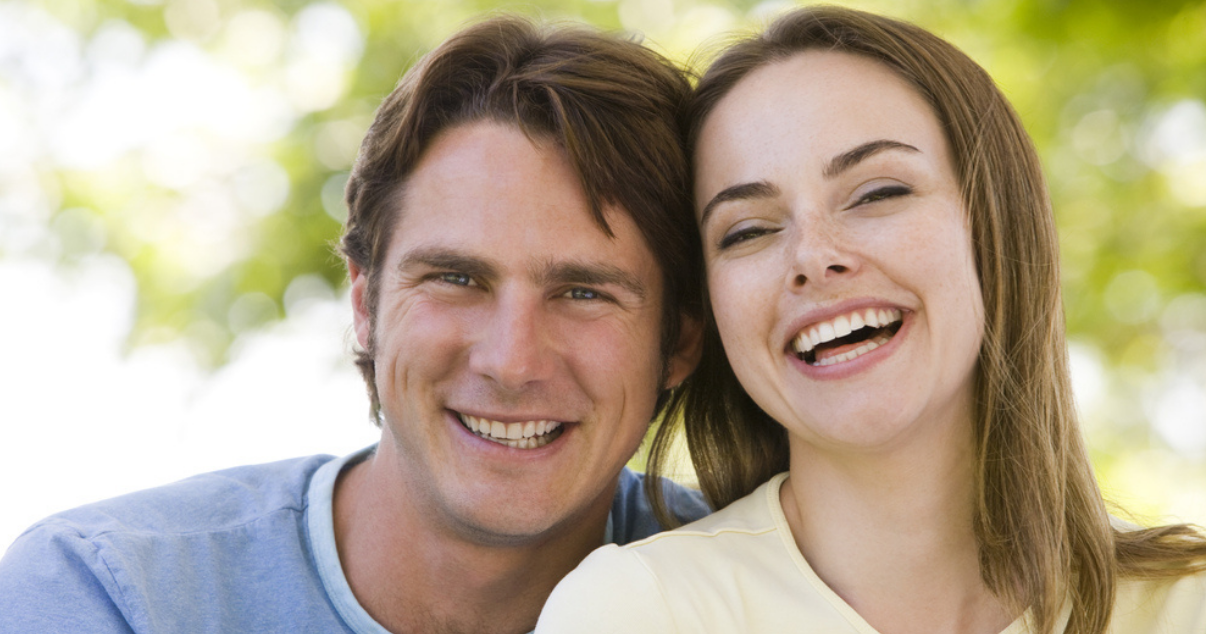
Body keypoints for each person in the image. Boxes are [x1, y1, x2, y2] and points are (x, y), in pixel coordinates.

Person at [0, 16, 710, 634]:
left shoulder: (765, 594)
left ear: (679, 340)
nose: (511, 360)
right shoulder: (107, 595)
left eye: (583, 292)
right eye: (456, 279)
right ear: (366, 308)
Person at [537, 6, 1206, 634]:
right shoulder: (641, 610)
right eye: (746, 231)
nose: (814, 257)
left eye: (878, 193)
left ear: (997, 225)